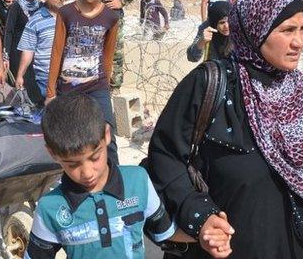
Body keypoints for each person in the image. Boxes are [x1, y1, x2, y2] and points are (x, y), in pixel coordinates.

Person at [147, 0, 303, 259]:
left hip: (292, 243)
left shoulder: (302, 91)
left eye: (302, 28)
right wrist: (200, 215)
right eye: (287, 30)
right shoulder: (211, 83)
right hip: (227, 248)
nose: (298, 42)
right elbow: (165, 156)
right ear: (256, 29)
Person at [24, 93, 230, 259]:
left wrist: (203, 236)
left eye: (94, 157)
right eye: (72, 164)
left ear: (106, 135)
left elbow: (164, 232)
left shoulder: (138, 181)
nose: (87, 173)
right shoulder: (50, 208)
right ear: (52, 153)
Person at [46, 0, 120, 164]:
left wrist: (106, 84)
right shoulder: (67, 12)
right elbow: (57, 51)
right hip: (68, 87)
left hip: (97, 86)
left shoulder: (110, 17)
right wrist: (51, 92)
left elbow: (108, 55)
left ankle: (115, 179)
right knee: (68, 139)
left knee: (107, 135)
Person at [15, 0, 64, 103]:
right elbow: (28, 50)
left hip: (66, 78)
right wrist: (20, 75)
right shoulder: (35, 21)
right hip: (45, 78)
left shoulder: (68, 17)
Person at [4, 0, 41, 83]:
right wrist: (6, 56)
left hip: (37, 52)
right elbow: (9, 31)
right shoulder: (16, 6)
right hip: (18, 52)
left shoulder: (41, 6)